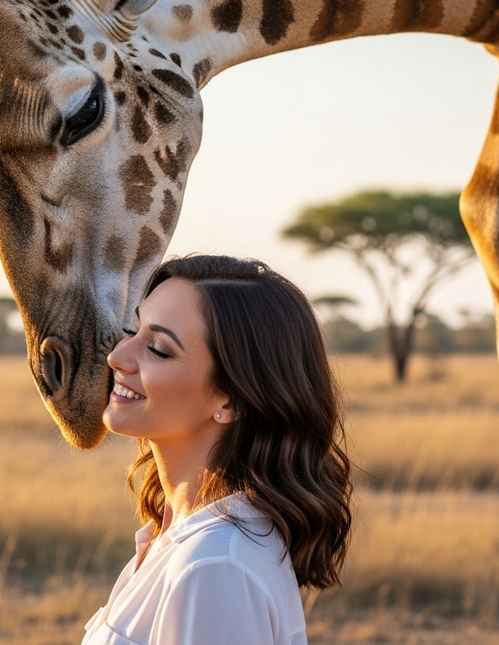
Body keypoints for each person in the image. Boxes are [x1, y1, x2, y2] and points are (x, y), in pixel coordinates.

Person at [82, 254, 352, 645]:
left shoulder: (215, 566)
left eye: (158, 349)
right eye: (132, 330)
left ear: (232, 400)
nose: (117, 357)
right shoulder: (185, 538)